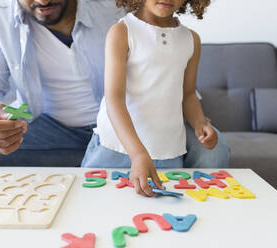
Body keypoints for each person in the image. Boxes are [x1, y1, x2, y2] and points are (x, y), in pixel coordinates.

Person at [0, 0, 229, 168]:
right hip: (39, 122)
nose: (42, 0)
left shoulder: (115, 7)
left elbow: (167, 69)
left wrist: (195, 118)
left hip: (131, 123)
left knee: (213, 148)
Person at [81, 0, 229, 196]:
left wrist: (200, 125)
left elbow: (188, 94)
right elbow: (114, 99)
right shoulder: (121, 32)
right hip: (115, 148)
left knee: (160, 217)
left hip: (167, 150)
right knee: (94, 206)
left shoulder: (191, 39)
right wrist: (138, 154)